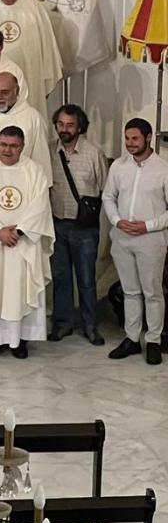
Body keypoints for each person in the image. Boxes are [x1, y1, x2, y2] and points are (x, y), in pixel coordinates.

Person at [0, 126, 53, 359]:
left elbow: (40, 205)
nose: (7, 150)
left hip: (22, 244)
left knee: (19, 290)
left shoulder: (35, 171)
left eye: (13, 146)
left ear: (22, 146)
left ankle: (19, 339)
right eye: (3, 144)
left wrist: (20, 231)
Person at [104, 118, 168, 364]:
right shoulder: (119, 167)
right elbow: (108, 196)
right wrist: (117, 220)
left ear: (149, 137)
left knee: (152, 292)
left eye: (135, 139)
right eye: (127, 138)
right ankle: (131, 338)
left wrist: (147, 225)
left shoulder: (163, 168)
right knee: (130, 290)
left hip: (150, 239)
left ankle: (153, 339)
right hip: (122, 237)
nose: (130, 144)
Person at [48, 104, 107, 344]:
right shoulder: (50, 151)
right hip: (57, 223)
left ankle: (90, 325)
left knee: (86, 278)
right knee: (60, 278)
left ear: (80, 126)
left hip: (84, 228)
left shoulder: (94, 153)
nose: (64, 129)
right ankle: (63, 324)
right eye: (60, 124)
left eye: (70, 125)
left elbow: (106, 188)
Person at [0, 72, 51, 178]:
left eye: (5, 92)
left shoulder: (32, 118)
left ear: (17, 91)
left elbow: (41, 158)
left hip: (21, 182)